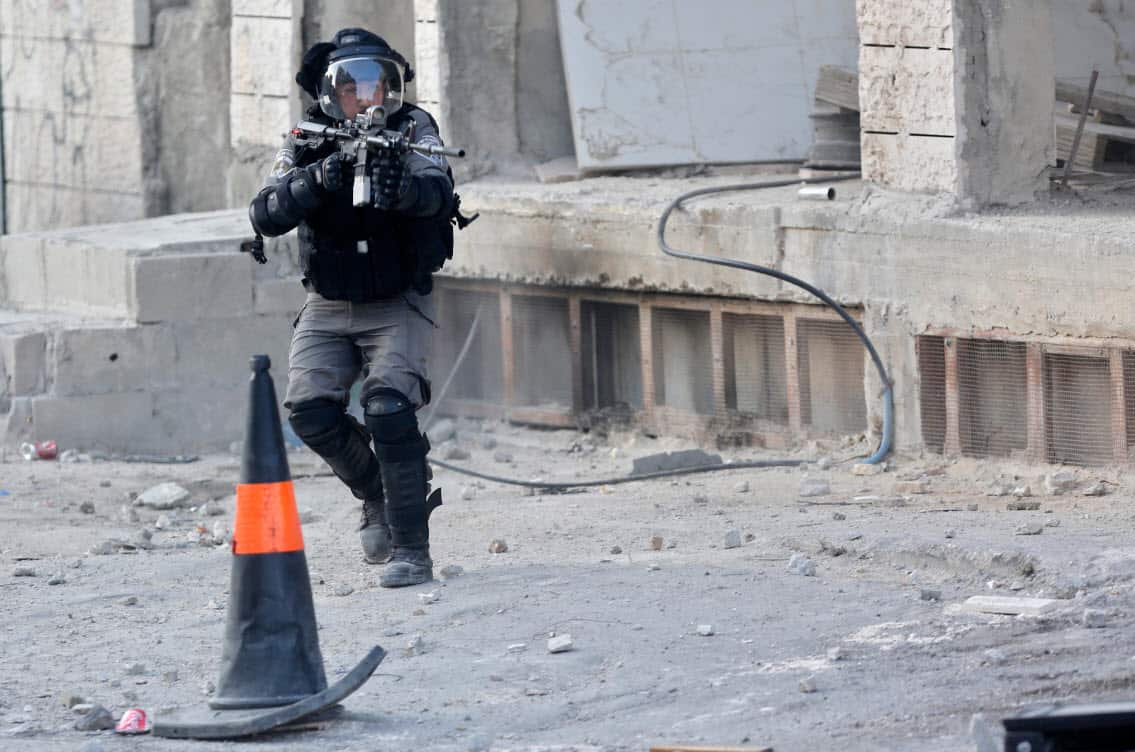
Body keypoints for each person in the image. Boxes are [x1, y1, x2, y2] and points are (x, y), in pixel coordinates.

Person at [247, 28, 456, 588]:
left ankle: (413, 549)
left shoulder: (412, 128)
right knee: (310, 411)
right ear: (329, 91)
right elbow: (264, 213)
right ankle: (378, 494)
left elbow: (440, 189)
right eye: (353, 86)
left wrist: (404, 192)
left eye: (379, 85)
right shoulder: (306, 138)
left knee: (388, 409)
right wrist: (317, 181)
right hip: (329, 301)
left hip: (396, 300)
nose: (367, 99)